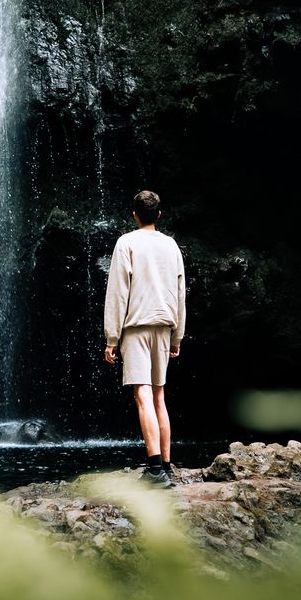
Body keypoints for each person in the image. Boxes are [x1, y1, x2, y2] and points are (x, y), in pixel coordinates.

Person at [103, 189, 186, 488]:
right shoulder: (171, 245)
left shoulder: (127, 243)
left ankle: (154, 471)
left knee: (143, 395)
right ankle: (165, 465)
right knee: (159, 396)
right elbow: (180, 294)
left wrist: (112, 338)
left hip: (137, 326)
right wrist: (177, 336)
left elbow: (117, 292)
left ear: (135, 214)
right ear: (159, 214)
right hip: (164, 326)